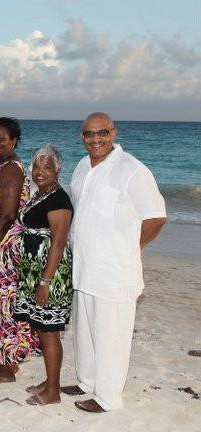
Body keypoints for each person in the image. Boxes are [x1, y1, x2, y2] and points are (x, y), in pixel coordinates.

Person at [62, 112, 166, 413]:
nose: (96, 139)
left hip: (115, 271)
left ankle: (108, 398)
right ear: (82, 136)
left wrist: (132, 248)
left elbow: (156, 217)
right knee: (85, 330)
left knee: (111, 334)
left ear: (114, 133)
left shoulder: (131, 170)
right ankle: (87, 382)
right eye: (89, 134)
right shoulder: (82, 166)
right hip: (84, 267)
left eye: (102, 133)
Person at [0, 117, 39, 384]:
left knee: (4, 306)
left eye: (2, 138)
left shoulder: (10, 169)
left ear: (14, 140)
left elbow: (8, 214)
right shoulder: (3, 166)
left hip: (3, 249)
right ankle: (6, 364)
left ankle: (7, 368)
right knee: (0, 305)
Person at [13, 144, 73, 405]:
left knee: (49, 331)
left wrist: (45, 282)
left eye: (47, 167)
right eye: (36, 165)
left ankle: (53, 392)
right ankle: (50, 381)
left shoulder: (59, 199)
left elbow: (58, 243)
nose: (40, 171)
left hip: (51, 273)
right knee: (40, 326)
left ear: (58, 170)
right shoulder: (40, 195)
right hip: (33, 270)